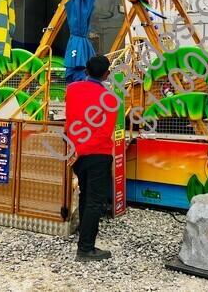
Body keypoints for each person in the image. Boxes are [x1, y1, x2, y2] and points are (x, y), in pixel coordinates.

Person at [65, 55, 118, 262]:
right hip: (98, 154)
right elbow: (104, 133)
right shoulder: (110, 98)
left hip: (77, 154)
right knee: (95, 201)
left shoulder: (72, 89)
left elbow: (71, 118)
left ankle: (84, 231)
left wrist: (77, 148)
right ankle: (85, 248)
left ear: (86, 71)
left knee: (85, 194)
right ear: (107, 74)